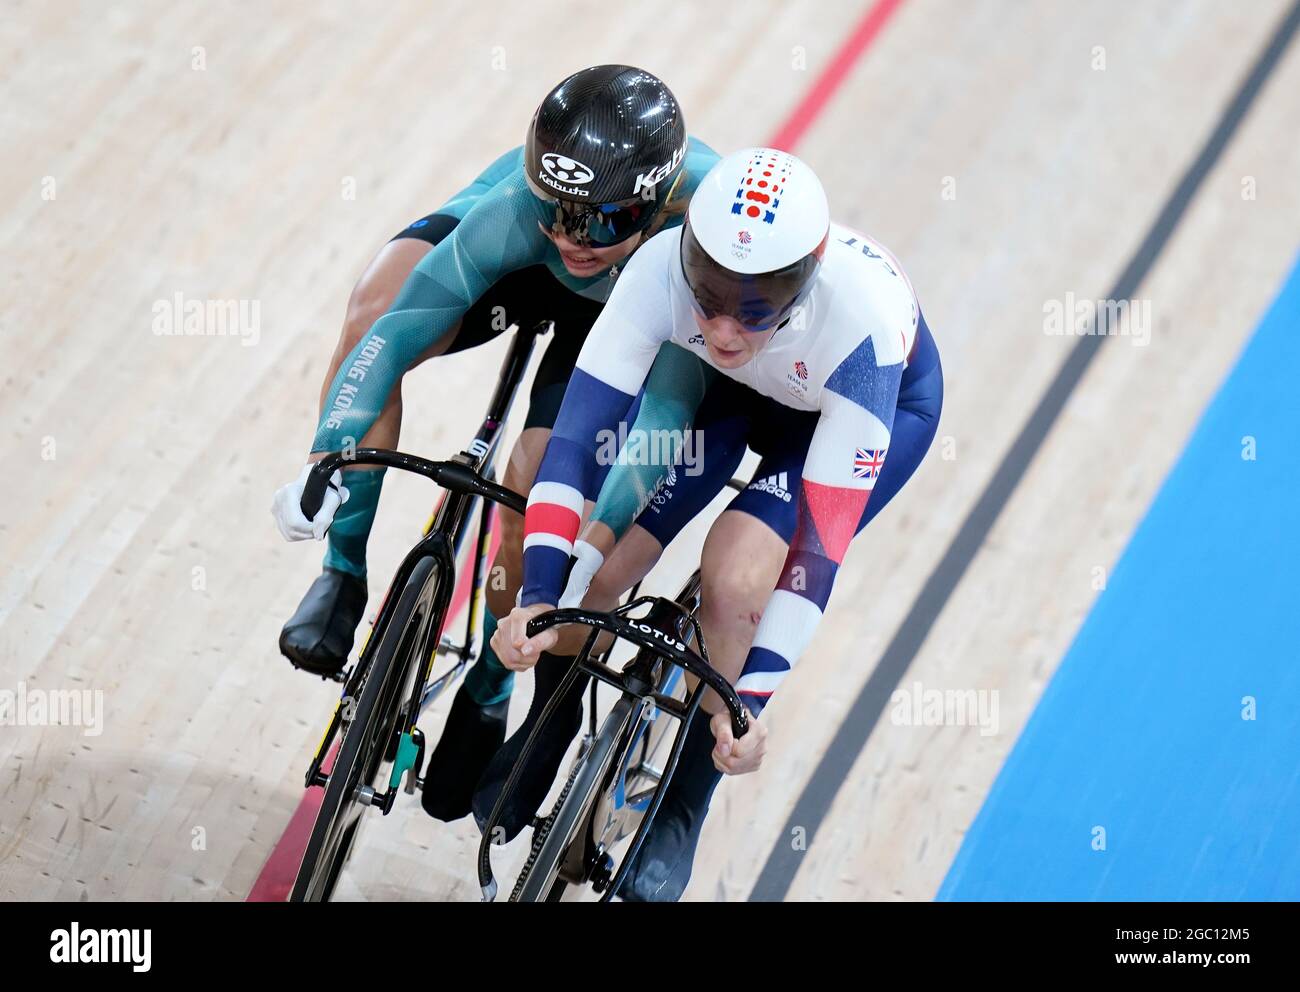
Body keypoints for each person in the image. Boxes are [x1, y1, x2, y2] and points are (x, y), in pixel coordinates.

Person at [489, 148, 944, 900]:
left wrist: (751, 703)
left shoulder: (860, 330)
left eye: (755, 308)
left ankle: (682, 806)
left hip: (849, 413)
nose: (726, 327)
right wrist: (539, 594)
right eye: (708, 300)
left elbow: (816, 557)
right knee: (601, 568)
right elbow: (575, 445)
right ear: (690, 262)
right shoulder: (660, 268)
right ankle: (553, 718)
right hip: (737, 396)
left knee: (737, 576)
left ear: (802, 287)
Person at [269, 65, 719, 823]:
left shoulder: (694, 234)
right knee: (371, 308)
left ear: (653, 201)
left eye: (601, 220)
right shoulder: (520, 210)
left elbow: (661, 425)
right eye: (559, 210)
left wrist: (581, 548)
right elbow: (396, 331)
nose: (575, 239)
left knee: (540, 480)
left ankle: (490, 684)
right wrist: (327, 463)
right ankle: (343, 571)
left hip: (623, 313)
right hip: (513, 264)